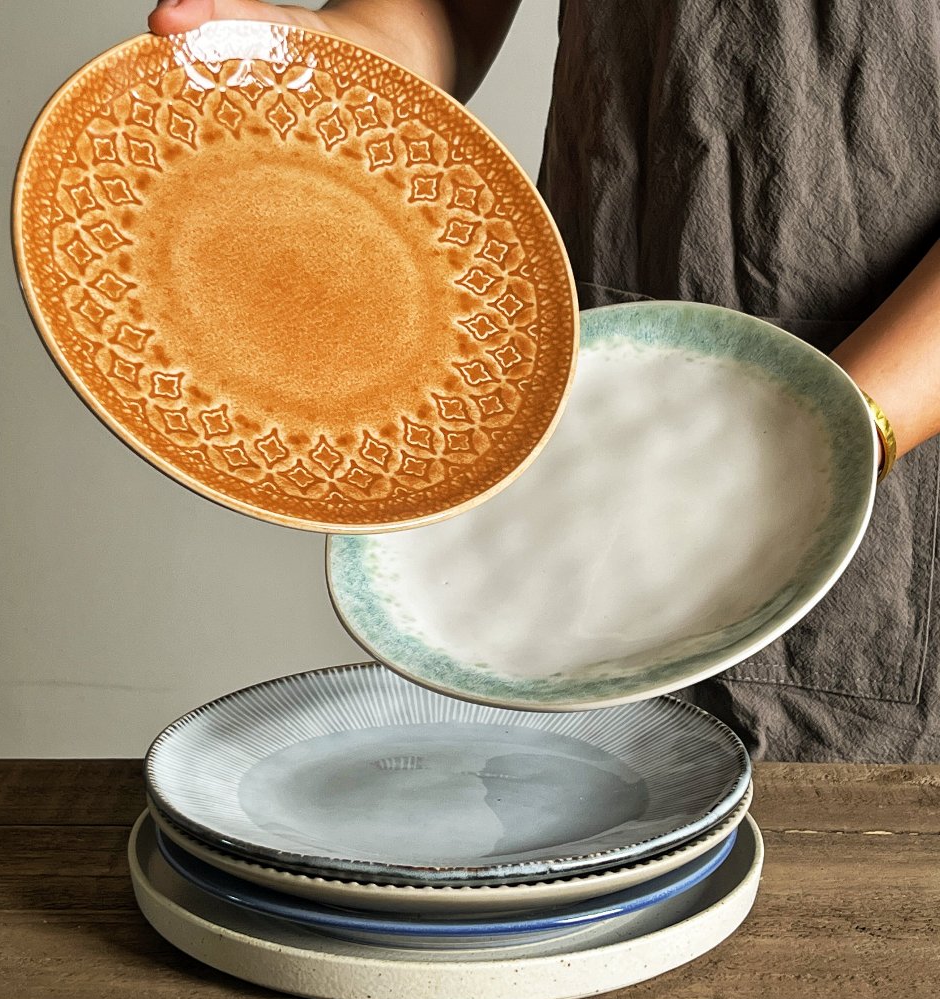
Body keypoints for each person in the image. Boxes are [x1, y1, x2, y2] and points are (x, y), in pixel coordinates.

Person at [148, 0, 940, 760]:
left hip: (889, 427)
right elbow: (445, 13)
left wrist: (823, 438)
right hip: (586, 421)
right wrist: (320, 55)